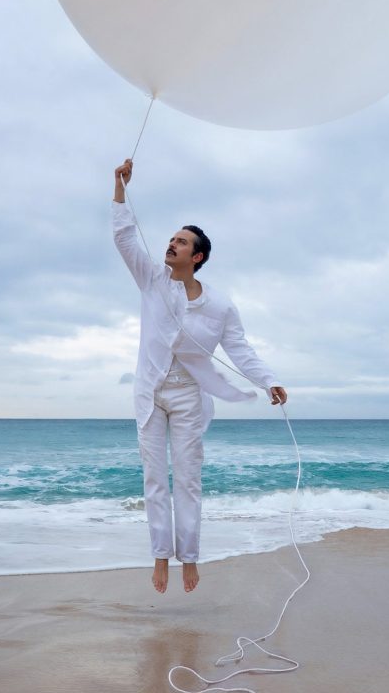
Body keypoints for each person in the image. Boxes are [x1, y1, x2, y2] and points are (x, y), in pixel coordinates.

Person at [113, 158, 287, 595]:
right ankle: (160, 555)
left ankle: (188, 556)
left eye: (181, 241)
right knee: (155, 477)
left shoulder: (220, 305)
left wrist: (268, 381)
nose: (171, 244)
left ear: (197, 256)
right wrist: (120, 187)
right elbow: (124, 237)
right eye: (171, 239)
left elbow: (240, 350)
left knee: (188, 479)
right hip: (150, 392)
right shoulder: (152, 280)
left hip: (189, 396)